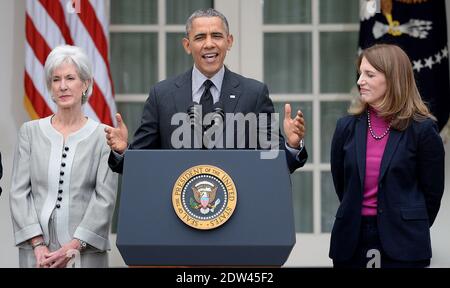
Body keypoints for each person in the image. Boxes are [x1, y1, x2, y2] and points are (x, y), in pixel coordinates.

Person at [106, 8, 307, 173]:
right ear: (187, 45)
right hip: (177, 212)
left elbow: (275, 161)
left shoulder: (254, 93)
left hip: (239, 213)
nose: (209, 44)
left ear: (229, 42)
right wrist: (123, 151)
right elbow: (140, 163)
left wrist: (291, 145)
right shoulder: (162, 95)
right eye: (200, 37)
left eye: (217, 36)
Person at [329, 44, 445, 268]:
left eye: (369, 74)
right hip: (351, 241)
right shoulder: (346, 127)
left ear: (393, 79)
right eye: (360, 73)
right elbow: (343, 185)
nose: (360, 81)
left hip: (405, 243)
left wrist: (407, 222)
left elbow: (432, 193)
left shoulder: (423, 130)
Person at [10, 45, 118, 268]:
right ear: (50, 86)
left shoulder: (103, 136)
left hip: (85, 253)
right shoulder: (29, 132)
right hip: (37, 255)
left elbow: (104, 198)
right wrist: (38, 244)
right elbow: (19, 192)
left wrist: (74, 246)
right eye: (56, 79)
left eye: (70, 78)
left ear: (85, 84)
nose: (63, 86)